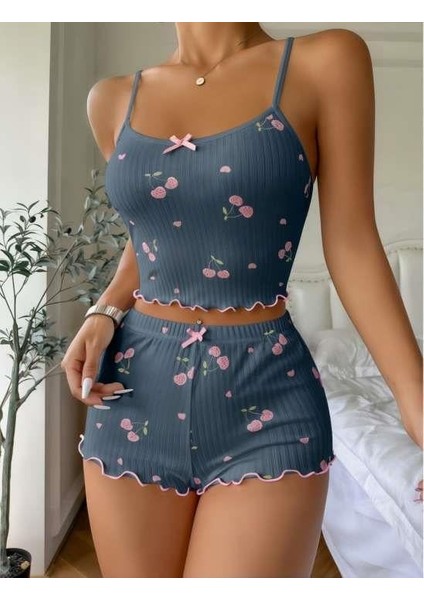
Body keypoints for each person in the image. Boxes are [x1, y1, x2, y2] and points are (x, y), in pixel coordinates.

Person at [61, 22, 423, 578]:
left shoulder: (325, 61)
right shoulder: (110, 98)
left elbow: (352, 243)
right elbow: (152, 233)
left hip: (268, 392)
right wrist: (105, 309)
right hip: (133, 392)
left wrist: (416, 408)